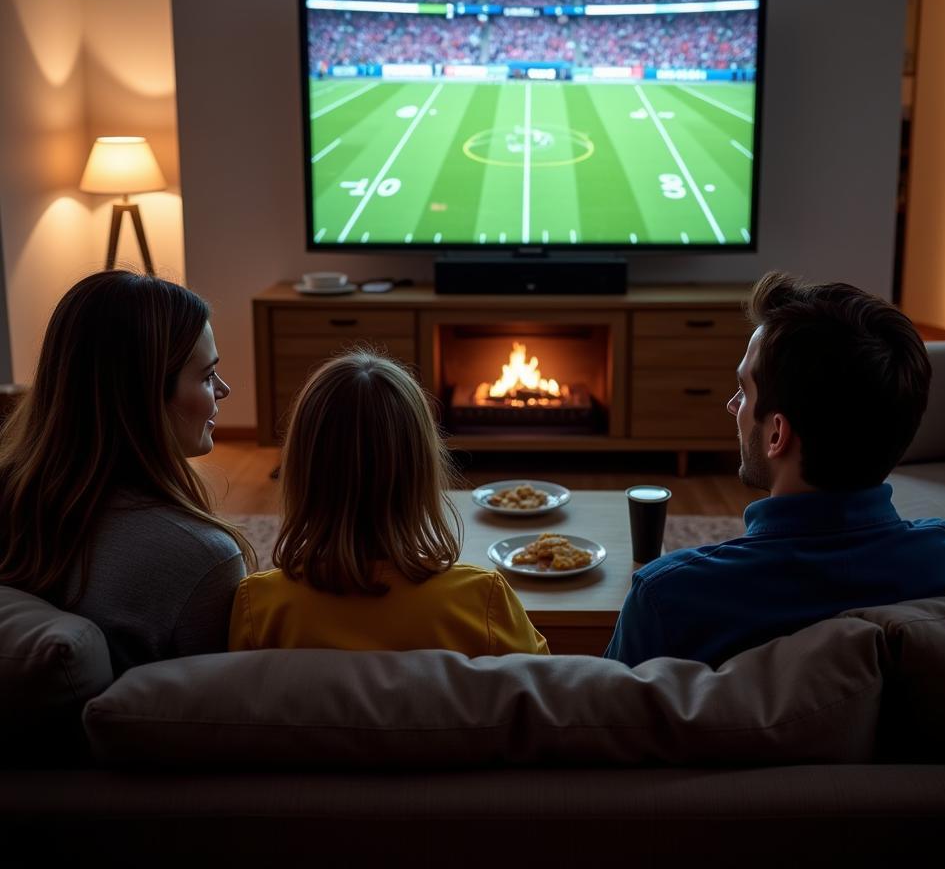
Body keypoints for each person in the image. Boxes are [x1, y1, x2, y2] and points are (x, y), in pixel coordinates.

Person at [605, 271, 945, 668]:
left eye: (745, 391)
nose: (733, 406)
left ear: (776, 435)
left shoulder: (668, 598)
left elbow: (607, 725)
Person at [0, 271, 254, 676]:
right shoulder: (201, 556)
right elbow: (216, 712)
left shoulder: (12, 498)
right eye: (207, 376)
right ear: (147, 397)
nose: (223, 390)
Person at [229, 350, 549, 657]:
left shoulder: (259, 607)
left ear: (299, 472)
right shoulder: (483, 600)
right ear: (423, 471)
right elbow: (547, 691)